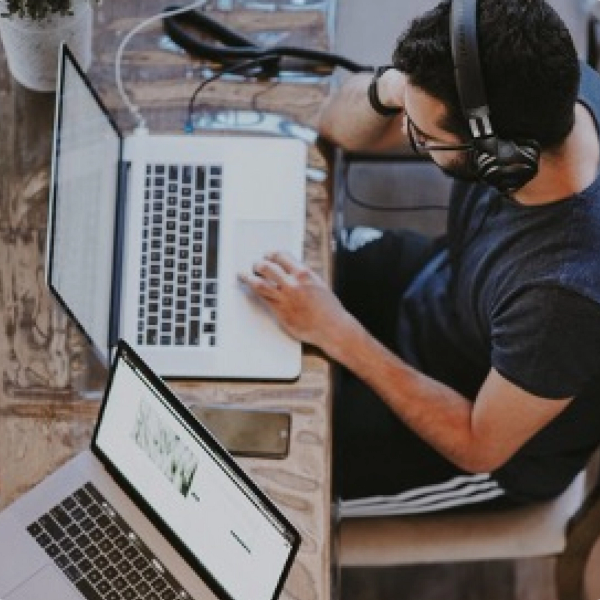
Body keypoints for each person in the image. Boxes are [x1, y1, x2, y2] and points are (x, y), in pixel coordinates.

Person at [239, 0, 600, 515]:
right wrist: (396, 86)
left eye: (424, 136)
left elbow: (479, 445)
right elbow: (336, 124)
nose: (410, 137)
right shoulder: (548, 84)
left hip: (478, 435)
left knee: (262, 469)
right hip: (446, 295)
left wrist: (340, 334)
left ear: (500, 159)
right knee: (250, 276)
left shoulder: (565, 298)